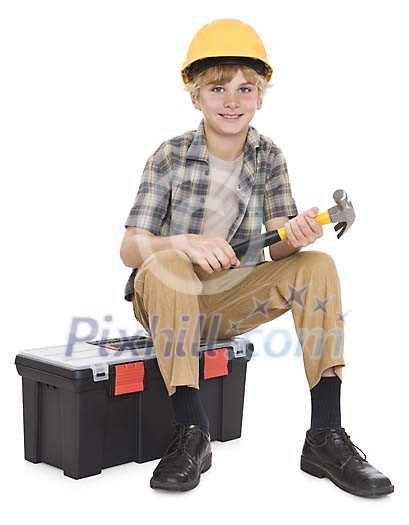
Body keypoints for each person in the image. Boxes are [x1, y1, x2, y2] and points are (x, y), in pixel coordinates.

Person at [120, 19, 394, 496]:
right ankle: (192, 430)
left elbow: (278, 242)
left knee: (318, 266)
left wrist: (298, 235)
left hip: (229, 302)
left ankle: (325, 436)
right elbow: (130, 248)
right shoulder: (169, 156)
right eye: (218, 88)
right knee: (164, 263)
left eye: (245, 89)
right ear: (195, 96)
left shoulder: (269, 157)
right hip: (165, 298)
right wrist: (182, 243)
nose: (231, 101)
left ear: (261, 96)